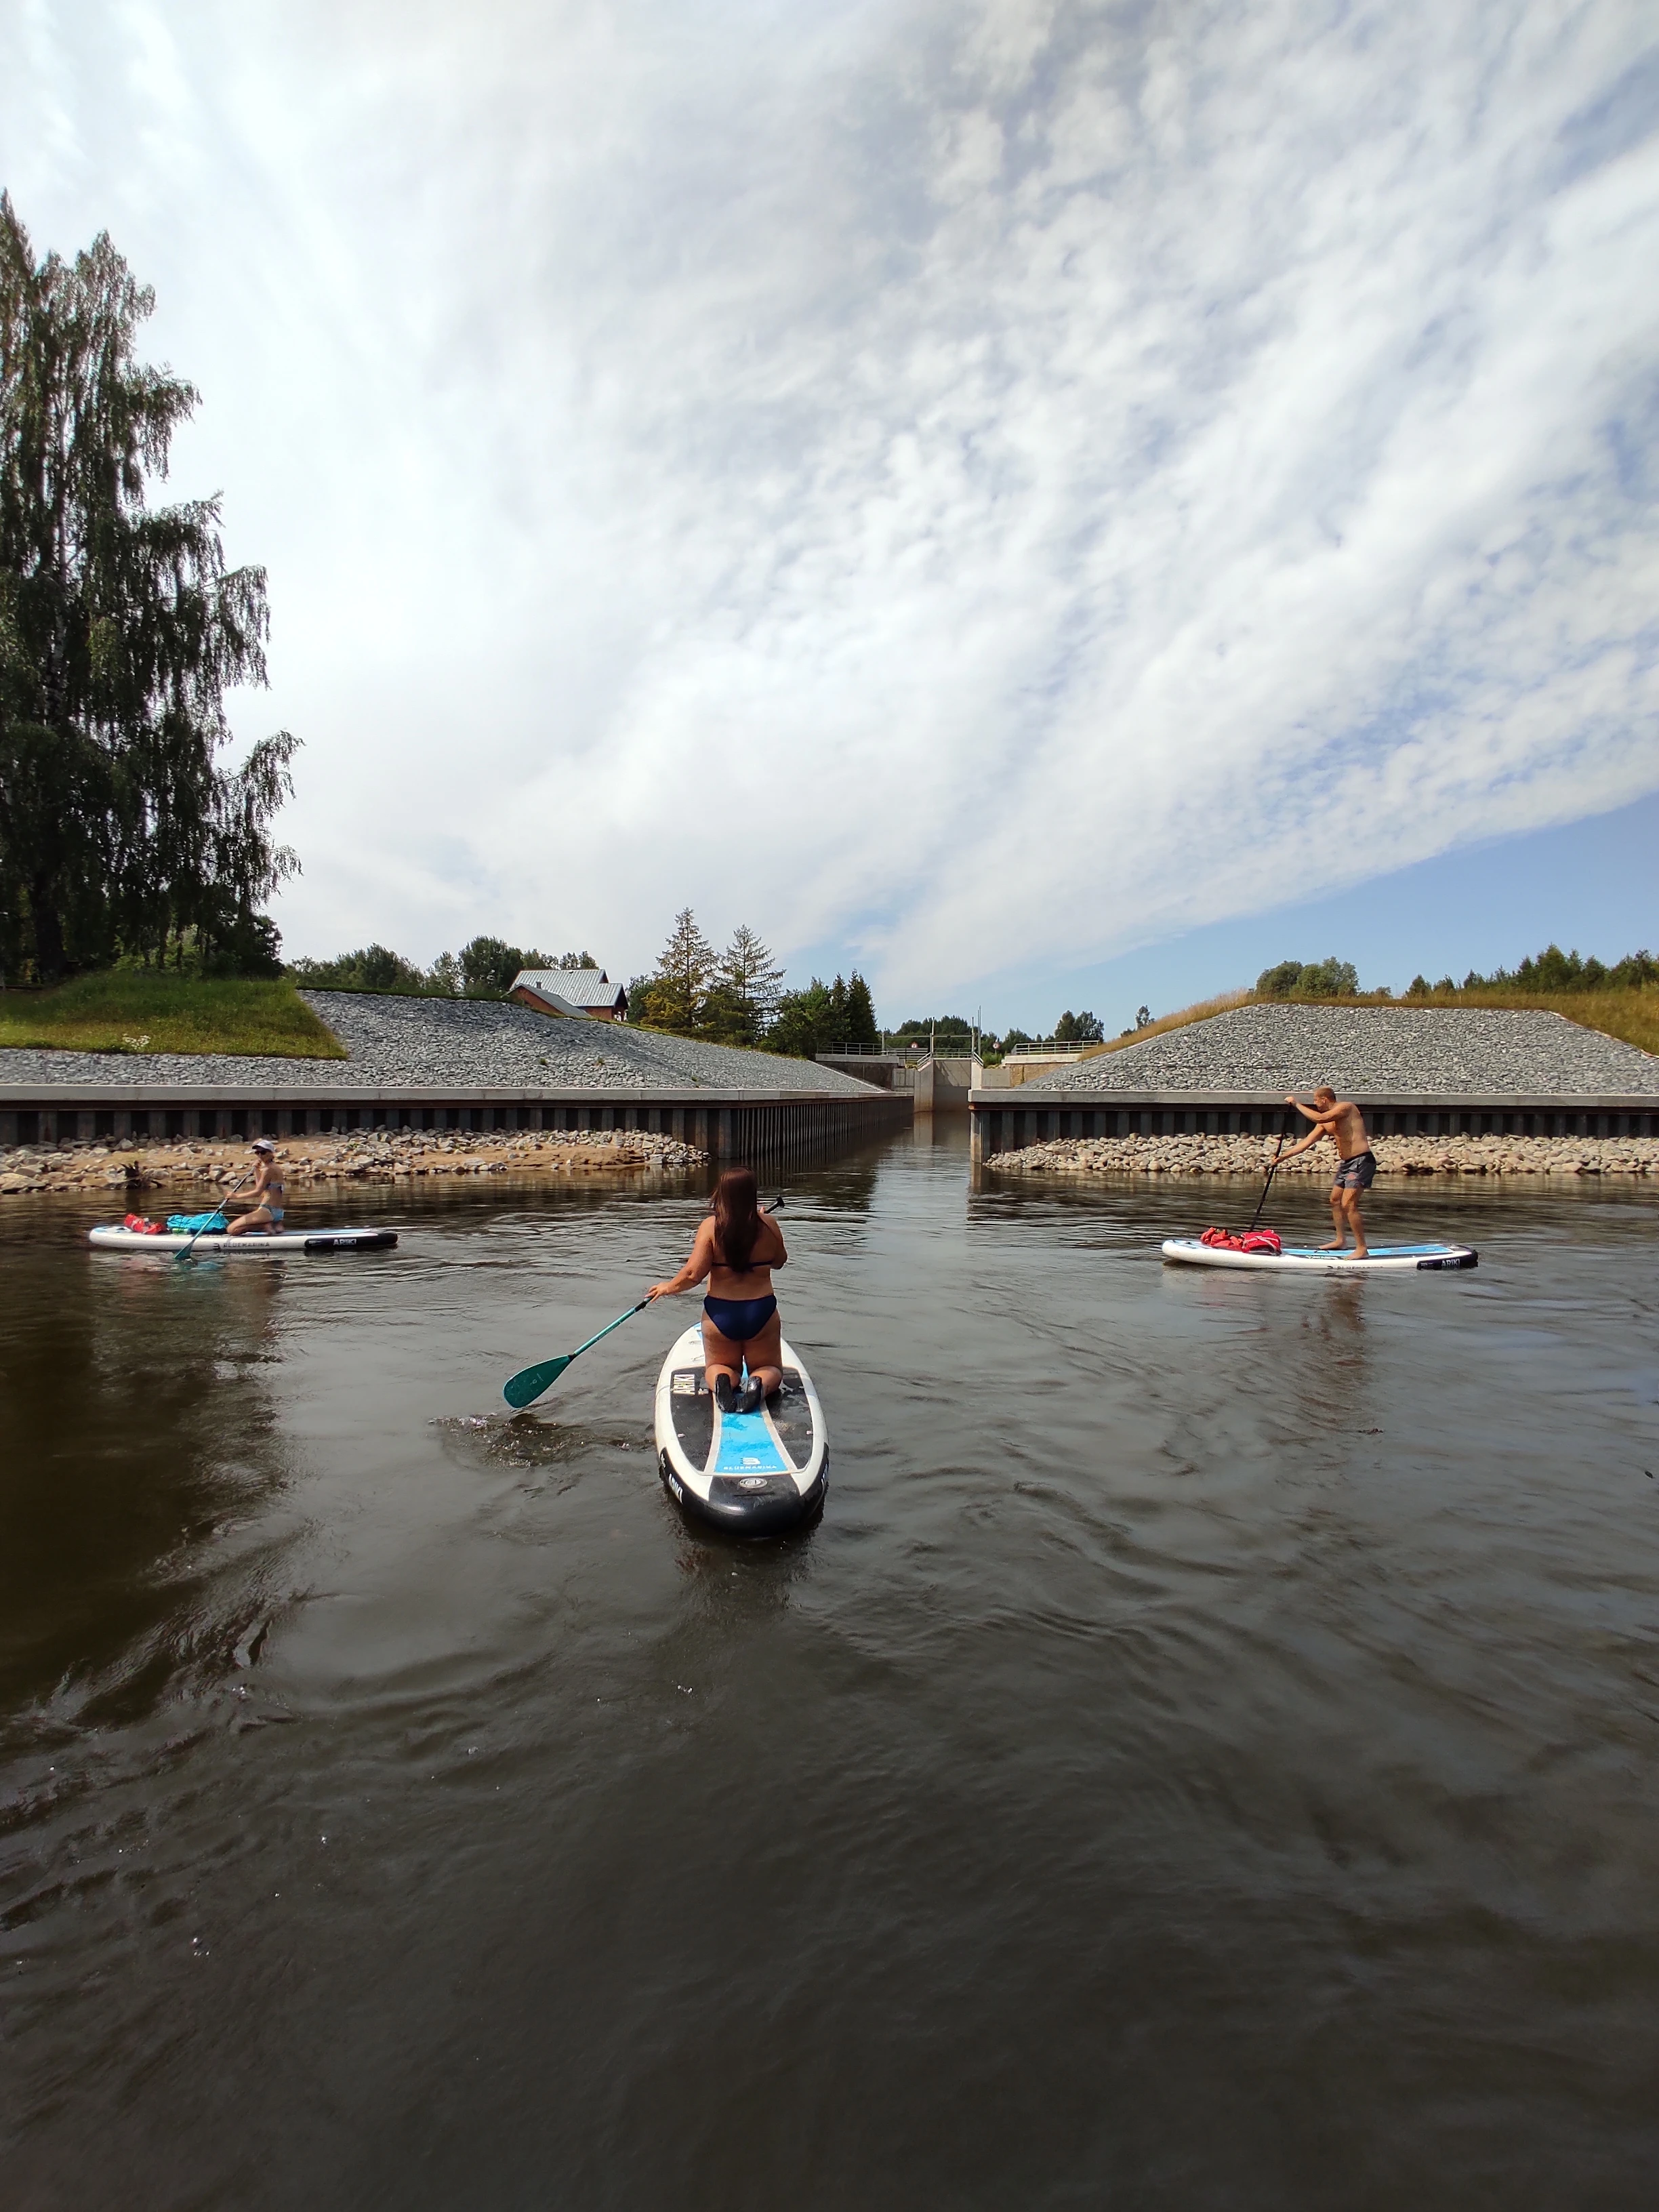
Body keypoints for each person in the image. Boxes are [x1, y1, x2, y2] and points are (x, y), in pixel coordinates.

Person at [647, 1166, 787, 1414]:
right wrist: (763, 1221)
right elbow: (779, 1261)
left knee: (719, 1365)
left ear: (722, 1194)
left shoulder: (710, 1227)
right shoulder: (769, 1225)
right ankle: (758, 1384)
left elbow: (692, 1274)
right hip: (761, 1310)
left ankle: (723, 1381)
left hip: (721, 1312)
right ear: (752, 1194)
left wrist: (667, 1288)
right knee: (770, 1368)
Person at [1280, 1087, 1375, 1257]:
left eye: (1316, 1100)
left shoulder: (1346, 1107)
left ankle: (1362, 1249)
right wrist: (1282, 1157)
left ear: (1324, 1099)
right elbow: (1307, 1142)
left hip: (1361, 1161)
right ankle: (1341, 1241)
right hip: (1347, 1163)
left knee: (1349, 1204)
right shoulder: (1325, 1123)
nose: (1315, 1104)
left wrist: (1296, 1104)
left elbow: (1320, 1116)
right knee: (1335, 1200)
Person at [225, 1138, 287, 1235]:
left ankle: (264, 1226)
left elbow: (257, 1192)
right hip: (277, 1212)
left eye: (263, 1152)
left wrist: (236, 1197)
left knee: (231, 1230)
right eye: (257, 1153)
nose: (260, 1155)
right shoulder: (274, 1168)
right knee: (275, 1229)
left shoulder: (268, 1170)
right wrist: (257, 1170)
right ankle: (274, 1225)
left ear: (271, 1153)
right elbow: (262, 1190)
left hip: (268, 1210)